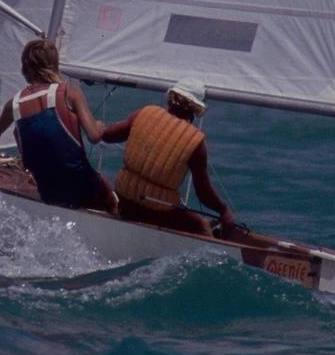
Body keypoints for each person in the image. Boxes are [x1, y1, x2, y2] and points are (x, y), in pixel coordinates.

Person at [0, 38, 116, 213]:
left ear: (25, 69)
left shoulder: (15, 104)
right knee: (111, 200)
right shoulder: (69, 92)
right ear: (55, 65)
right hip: (84, 186)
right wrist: (99, 126)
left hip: (51, 193)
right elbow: (94, 136)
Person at [101, 80, 236, 237]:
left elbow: (108, 136)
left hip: (125, 200)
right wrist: (223, 210)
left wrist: (100, 127)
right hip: (156, 210)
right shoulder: (196, 142)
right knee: (201, 225)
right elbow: (203, 192)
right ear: (197, 108)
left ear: (172, 96)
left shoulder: (145, 113)